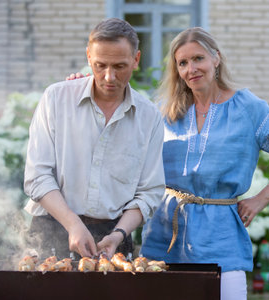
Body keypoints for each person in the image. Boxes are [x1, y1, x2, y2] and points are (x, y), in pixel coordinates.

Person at [138, 27, 269, 300]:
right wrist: (81, 85)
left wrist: (261, 199)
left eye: (198, 58)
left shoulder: (247, 108)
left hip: (221, 236)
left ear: (216, 59)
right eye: (182, 63)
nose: (191, 69)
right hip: (164, 234)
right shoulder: (166, 109)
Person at [23, 18, 165, 260]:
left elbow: (149, 192)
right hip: (51, 228)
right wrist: (74, 225)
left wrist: (119, 233)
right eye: (100, 65)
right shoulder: (56, 99)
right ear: (89, 56)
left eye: (119, 66)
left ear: (136, 60)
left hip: (114, 237)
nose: (109, 77)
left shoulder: (149, 116)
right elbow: (38, 177)